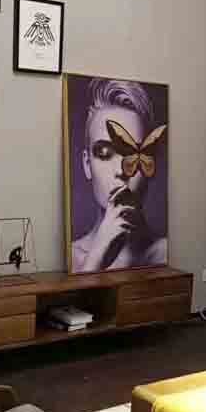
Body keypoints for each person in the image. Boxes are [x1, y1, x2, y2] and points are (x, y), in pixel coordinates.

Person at [71, 78, 167, 273]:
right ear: (87, 164)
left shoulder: (165, 255)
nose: (122, 170)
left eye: (134, 153)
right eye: (105, 152)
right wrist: (95, 259)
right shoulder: (73, 259)